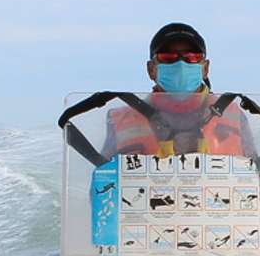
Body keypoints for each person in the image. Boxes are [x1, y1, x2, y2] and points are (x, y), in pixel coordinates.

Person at [100, 22, 249, 157]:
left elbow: (256, 173)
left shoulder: (234, 116)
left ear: (205, 68)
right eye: (168, 57)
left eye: (192, 57)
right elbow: (103, 175)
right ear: (151, 69)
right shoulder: (121, 120)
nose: (181, 65)